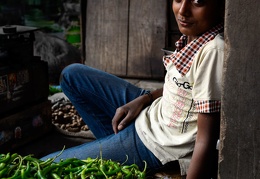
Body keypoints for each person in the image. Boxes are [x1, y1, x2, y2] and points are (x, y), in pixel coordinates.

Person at [42, 0, 225, 178]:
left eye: (198, 2)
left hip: (159, 144)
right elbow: (186, 88)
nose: (183, 10)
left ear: (220, 6)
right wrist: (144, 99)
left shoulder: (213, 51)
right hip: (155, 112)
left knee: (48, 165)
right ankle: (114, 147)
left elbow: (205, 139)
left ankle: (118, 151)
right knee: (72, 75)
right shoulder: (193, 36)